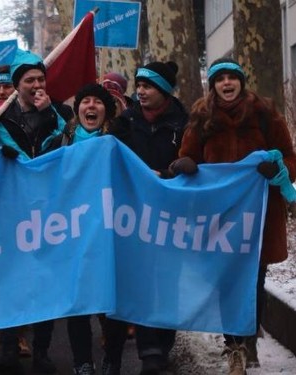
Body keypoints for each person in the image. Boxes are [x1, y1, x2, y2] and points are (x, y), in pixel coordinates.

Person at [178, 58, 295, 374]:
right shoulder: (201, 118)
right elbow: (187, 156)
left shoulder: (266, 115)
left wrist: (278, 169)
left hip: (257, 218)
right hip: (217, 218)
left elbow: (289, 156)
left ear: (242, 82)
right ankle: (234, 346)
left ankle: (246, 339)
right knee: (225, 282)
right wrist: (186, 165)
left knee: (253, 282)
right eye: (220, 79)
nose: (226, 83)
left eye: (232, 78)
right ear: (212, 84)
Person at [0, 49, 73, 375]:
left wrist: (48, 114)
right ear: (16, 85)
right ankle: (10, 348)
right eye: (29, 80)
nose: (36, 84)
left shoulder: (60, 111)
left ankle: (42, 351)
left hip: (51, 209)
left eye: (40, 79)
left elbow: (65, 142)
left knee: (45, 281)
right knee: (13, 281)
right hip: (13, 211)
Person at [101, 61, 188, 375]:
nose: (140, 91)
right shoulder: (125, 123)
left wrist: (167, 174)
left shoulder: (185, 123)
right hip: (133, 216)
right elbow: (110, 159)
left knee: (168, 282)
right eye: (138, 85)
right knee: (139, 281)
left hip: (170, 216)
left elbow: (194, 163)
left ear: (164, 91)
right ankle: (149, 350)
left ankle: (162, 346)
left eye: (148, 86)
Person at [51, 84, 130, 375]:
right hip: (73, 232)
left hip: (111, 233)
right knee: (78, 303)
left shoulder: (120, 140)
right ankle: (82, 361)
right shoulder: (63, 141)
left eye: (98, 102)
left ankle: (113, 358)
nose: (91, 106)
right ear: (79, 109)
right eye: (86, 101)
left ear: (106, 111)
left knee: (112, 303)